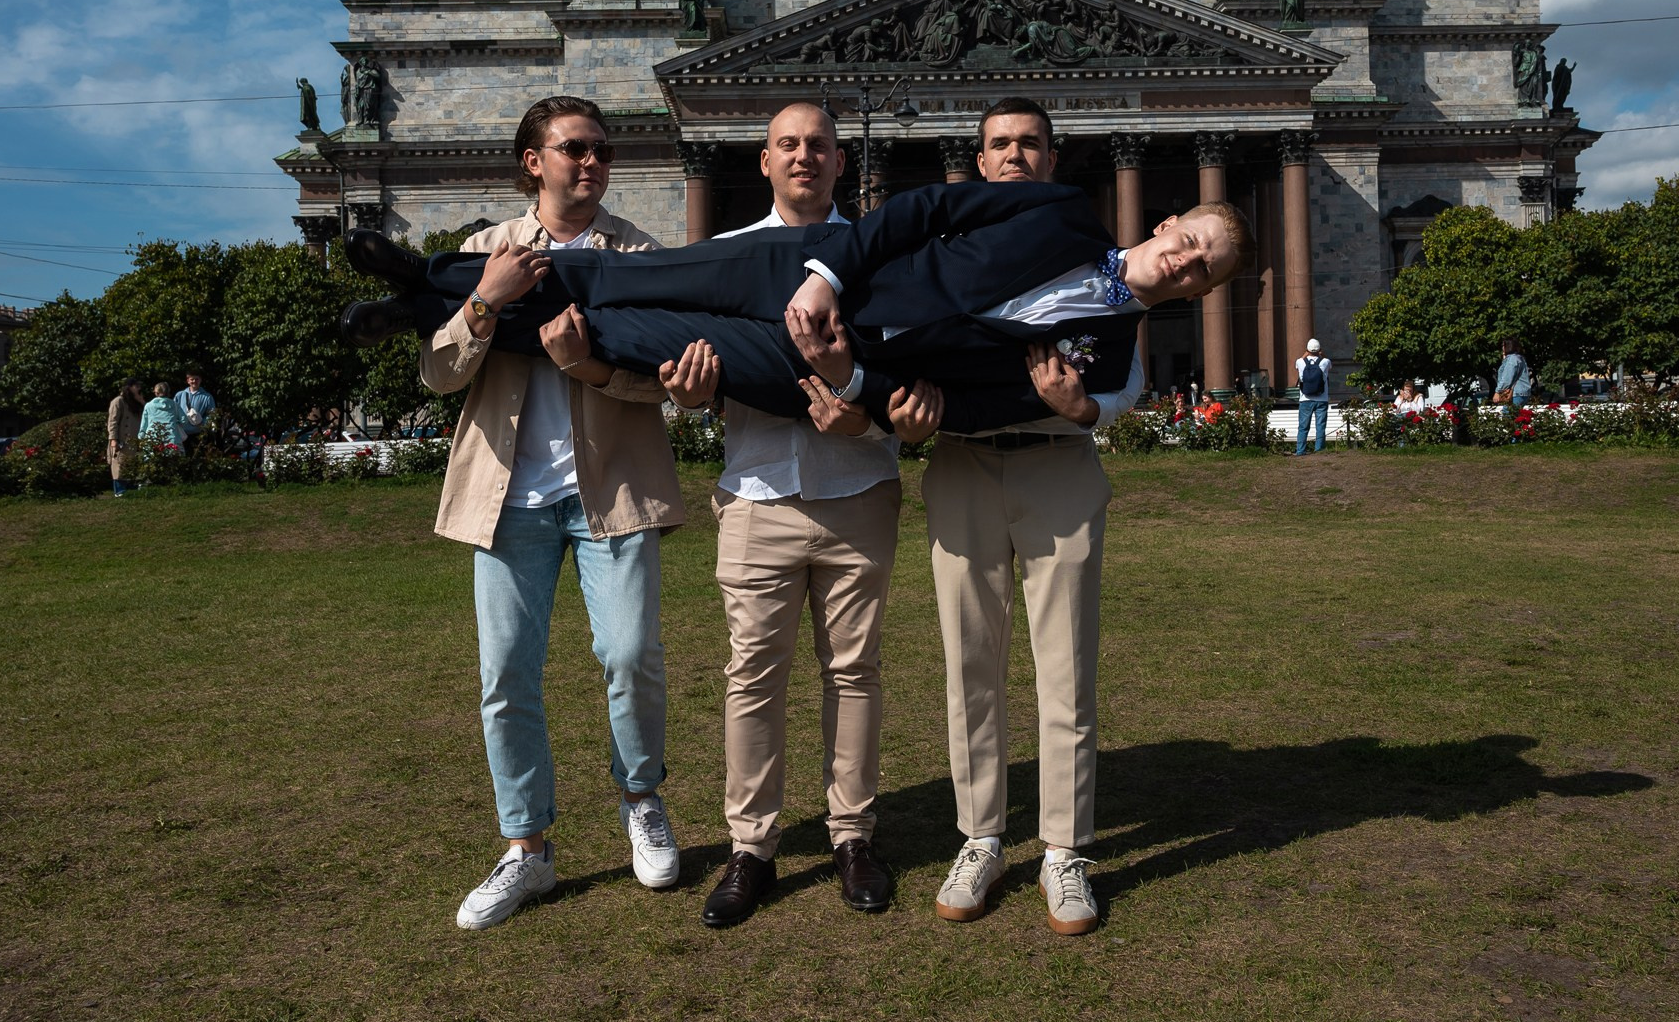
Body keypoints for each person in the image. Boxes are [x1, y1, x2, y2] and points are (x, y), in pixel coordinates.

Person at [343, 179, 1247, 439]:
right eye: (1191, 238)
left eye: (1202, 269)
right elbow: (914, 214)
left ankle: (424, 302)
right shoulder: (1057, 206)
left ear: (1201, 292)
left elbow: (970, 410)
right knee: (618, 277)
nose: (1187, 260)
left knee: (621, 332)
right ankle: (428, 282)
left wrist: (854, 379)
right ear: (1167, 220)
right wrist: (824, 271)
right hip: (801, 272)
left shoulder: (1112, 366)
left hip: (825, 373)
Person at [410, 94, 686, 931]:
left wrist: (591, 366)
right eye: (576, 149)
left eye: (602, 149)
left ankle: (641, 798)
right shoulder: (480, 252)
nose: (593, 162)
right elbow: (438, 374)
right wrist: (486, 299)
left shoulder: (638, 254)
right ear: (534, 161)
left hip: (614, 490)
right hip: (507, 498)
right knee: (505, 677)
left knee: (631, 653)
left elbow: (663, 377)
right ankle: (525, 849)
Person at [683, 102, 940, 929]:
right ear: (762, 161)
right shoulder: (722, 259)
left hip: (858, 490)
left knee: (854, 673)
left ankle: (853, 836)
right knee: (752, 677)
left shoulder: (883, 261)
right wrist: (686, 396)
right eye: (787, 145)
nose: (803, 157)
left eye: (818, 146)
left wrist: (861, 415)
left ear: (841, 162)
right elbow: (697, 371)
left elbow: (903, 385)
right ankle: (751, 846)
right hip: (757, 493)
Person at [904, 97, 1146, 939]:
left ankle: (1065, 850)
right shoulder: (943, 254)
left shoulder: (1097, 256)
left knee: (1065, 670)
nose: (1014, 156)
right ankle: (980, 838)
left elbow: (1131, 375)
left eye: (1030, 144)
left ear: (1054, 157)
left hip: (1058, 466)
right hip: (964, 464)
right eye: (999, 145)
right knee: (969, 666)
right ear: (975, 162)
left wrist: (1089, 408)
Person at [106, 379, 145, 496]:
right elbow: (112, 422)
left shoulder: (136, 402)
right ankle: (119, 491)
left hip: (135, 438)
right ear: (129, 387)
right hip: (122, 439)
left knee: (132, 464)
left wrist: (142, 401)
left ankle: (132, 490)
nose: (138, 388)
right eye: (136, 386)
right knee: (119, 465)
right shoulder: (118, 401)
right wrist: (113, 439)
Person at [1294, 339, 1331, 455]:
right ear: (1319, 350)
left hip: (1305, 399)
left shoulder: (1300, 362)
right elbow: (1330, 365)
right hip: (1322, 399)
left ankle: (1300, 450)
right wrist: (1321, 354)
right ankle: (1319, 450)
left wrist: (1306, 353)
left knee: (1303, 427)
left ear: (1307, 350)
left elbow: (1299, 363)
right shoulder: (1325, 362)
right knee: (1320, 426)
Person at [138, 382, 185, 451]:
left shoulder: (148, 405)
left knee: (153, 460)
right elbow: (184, 420)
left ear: (156, 392)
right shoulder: (175, 405)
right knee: (172, 460)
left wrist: (141, 437)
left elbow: (144, 425)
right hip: (171, 438)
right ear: (168, 392)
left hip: (152, 438)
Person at [176, 371, 216, 450]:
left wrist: (202, 423)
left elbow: (212, 414)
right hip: (182, 433)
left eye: (196, 379)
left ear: (200, 380)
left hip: (198, 434)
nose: (194, 381)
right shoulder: (180, 395)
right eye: (192, 379)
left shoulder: (207, 397)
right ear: (188, 381)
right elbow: (174, 411)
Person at [1493, 337, 1533, 411]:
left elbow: (1507, 378)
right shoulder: (1519, 358)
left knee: (1508, 417)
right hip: (1520, 393)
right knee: (1513, 416)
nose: (1502, 348)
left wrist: (1498, 391)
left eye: (1503, 345)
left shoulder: (1512, 359)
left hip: (1515, 393)